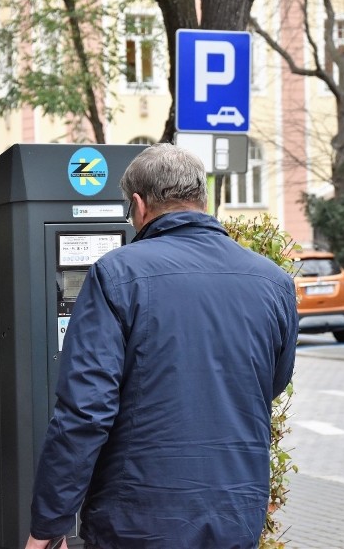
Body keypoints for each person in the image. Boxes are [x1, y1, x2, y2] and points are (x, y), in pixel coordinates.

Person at [26, 143, 298, 549]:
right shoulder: (273, 282)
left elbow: (85, 413)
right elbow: (269, 385)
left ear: (138, 205)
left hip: (137, 518)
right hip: (236, 513)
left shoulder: (115, 275)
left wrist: (48, 526)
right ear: (201, 199)